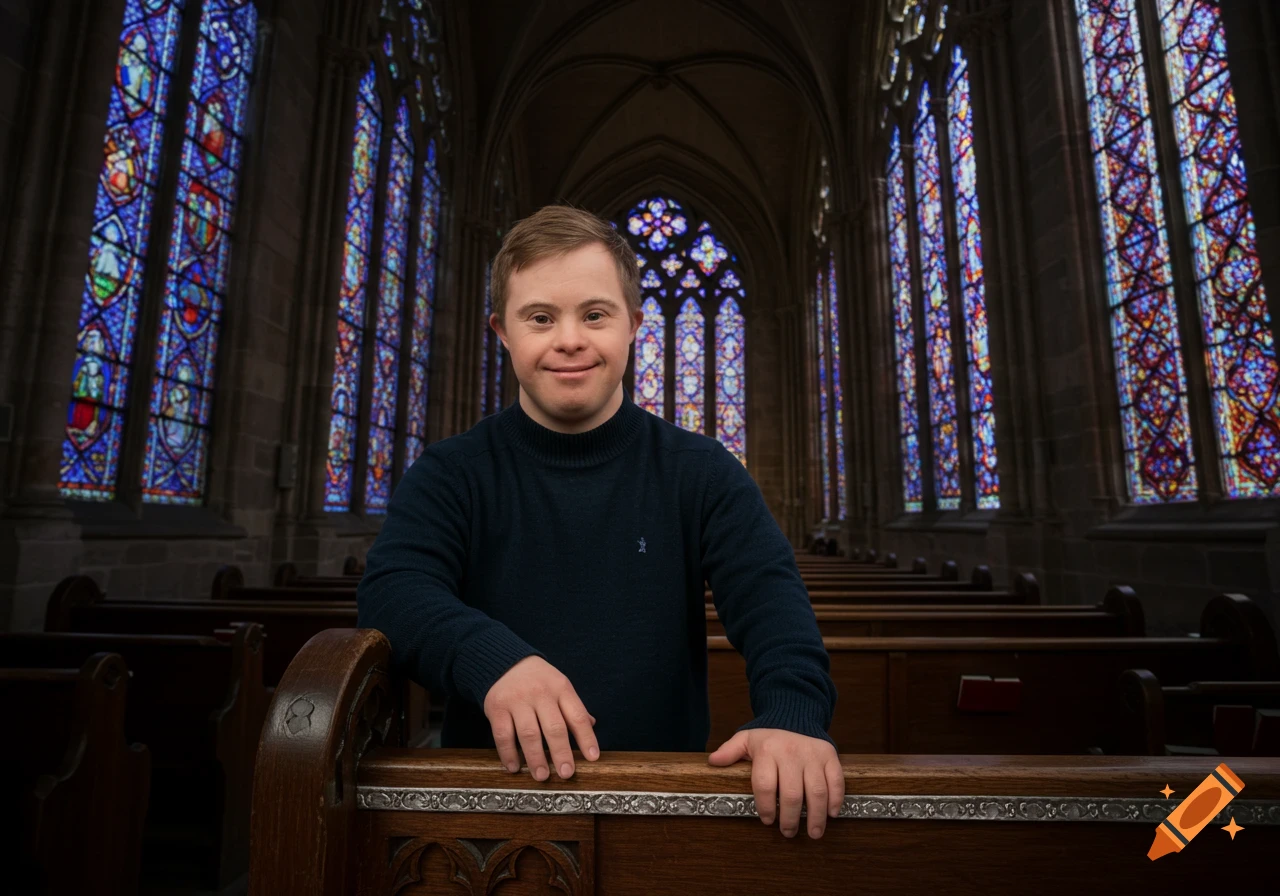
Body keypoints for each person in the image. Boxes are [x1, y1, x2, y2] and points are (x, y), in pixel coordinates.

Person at [357, 205, 842, 839]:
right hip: (493, 802)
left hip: (661, 799)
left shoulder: (700, 471)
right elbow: (392, 591)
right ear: (502, 333)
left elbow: (774, 603)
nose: (569, 340)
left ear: (634, 325)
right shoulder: (453, 472)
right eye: (539, 318)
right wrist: (493, 659)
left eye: (594, 314)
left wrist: (792, 713)